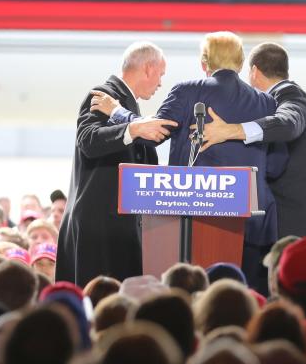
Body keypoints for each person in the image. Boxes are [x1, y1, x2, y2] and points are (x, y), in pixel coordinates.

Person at [97, 32, 287, 292]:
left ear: (204, 63)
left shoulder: (188, 91)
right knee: (244, 297)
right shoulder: (266, 102)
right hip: (253, 223)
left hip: (193, 224)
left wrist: (118, 113)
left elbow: (153, 135)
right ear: (241, 64)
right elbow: (277, 163)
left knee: (192, 294)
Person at [183, 41, 306, 243]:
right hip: (297, 217)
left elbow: (287, 124)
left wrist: (231, 130)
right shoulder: (282, 95)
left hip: (299, 220)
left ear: (254, 71)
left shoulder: (290, 94)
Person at [56, 41, 178, 287]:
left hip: (114, 226)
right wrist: (133, 128)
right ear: (148, 68)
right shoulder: (103, 94)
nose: (161, 83)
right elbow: (88, 140)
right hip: (99, 226)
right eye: (161, 74)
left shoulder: (124, 104)